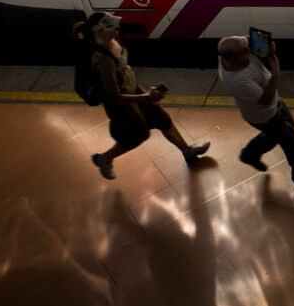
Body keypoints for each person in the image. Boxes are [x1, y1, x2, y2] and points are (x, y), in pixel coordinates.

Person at [75, 12, 209, 180]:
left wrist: (146, 94)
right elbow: (114, 97)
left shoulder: (114, 41)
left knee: (162, 119)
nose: (117, 28)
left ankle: (188, 152)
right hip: (122, 106)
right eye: (111, 27)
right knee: (137, 135)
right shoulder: (103, 61)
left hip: (135, 90)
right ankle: (105, 158)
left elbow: (124, 70)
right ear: (99, 32)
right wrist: (147, 97)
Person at [217, 35, 294, 185]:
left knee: (282, 131)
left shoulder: (235, 48)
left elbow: (251, 39)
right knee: (293, 142)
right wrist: (275, 70)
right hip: (264, 115)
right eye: (245, 51)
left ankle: (250, 154)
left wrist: (268, 46)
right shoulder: (238, 81)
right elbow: (265, 100)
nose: (249, 50)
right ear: (232, 58)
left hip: (274, 104)